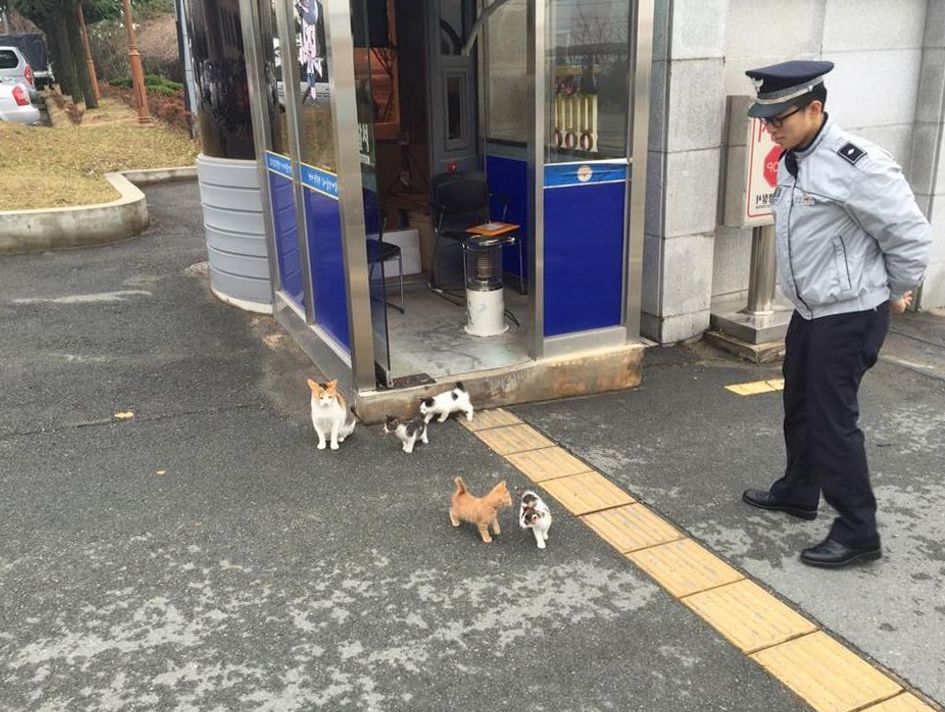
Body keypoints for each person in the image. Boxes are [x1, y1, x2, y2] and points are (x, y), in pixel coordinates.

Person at [740, 60, 933, 568]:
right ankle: (800, 491)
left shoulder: (859, 165)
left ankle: (858, 530)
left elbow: (910, 237)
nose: (771, 126)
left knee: (833, 420)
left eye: (781, 115)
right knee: (800, 404)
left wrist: (894, 289)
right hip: (811, 310)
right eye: (766, 116)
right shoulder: (792, 158)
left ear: (815, 108)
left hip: (850, 314)